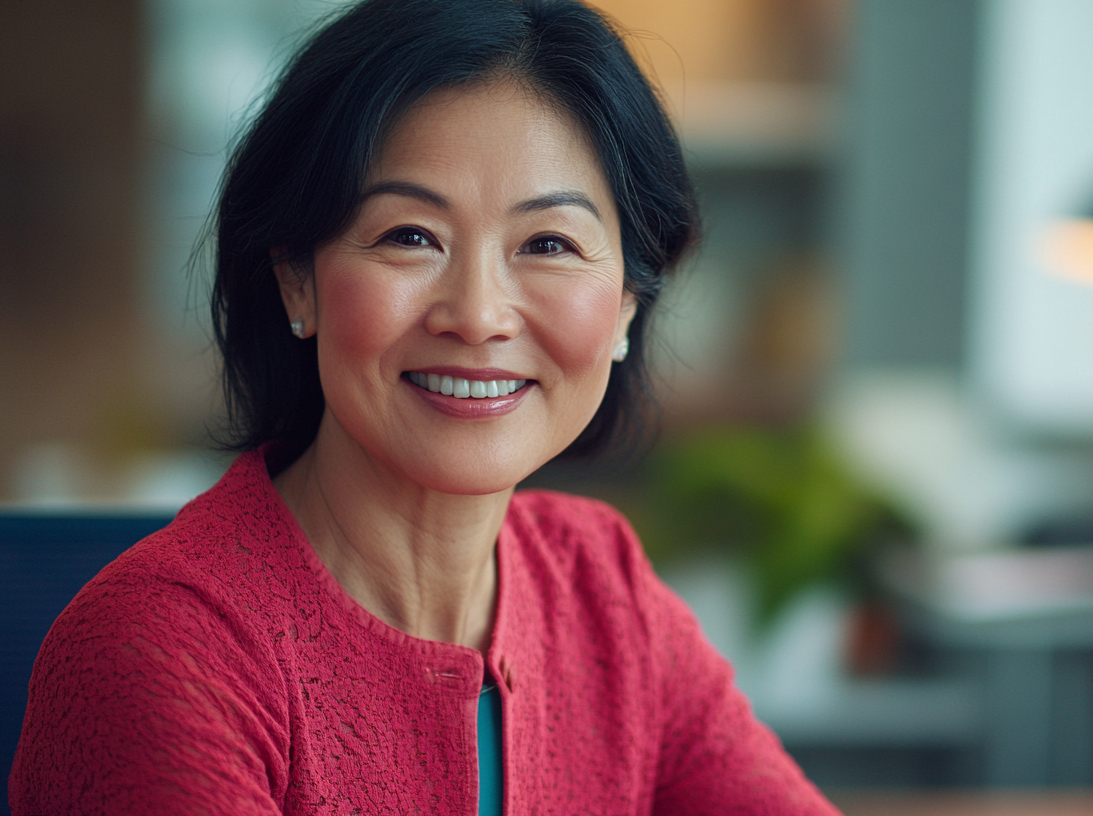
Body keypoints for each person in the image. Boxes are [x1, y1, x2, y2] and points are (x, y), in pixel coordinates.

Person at [8, 1, 840, 813]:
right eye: (410, 236)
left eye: (548, 244)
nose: (477, 314)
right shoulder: (165, 651)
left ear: (627, 303)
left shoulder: (603, 592)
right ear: (298, 277)